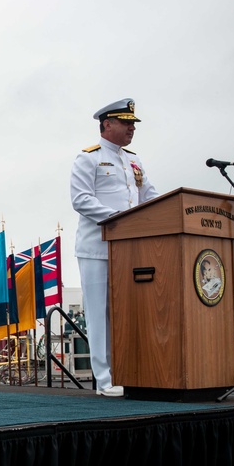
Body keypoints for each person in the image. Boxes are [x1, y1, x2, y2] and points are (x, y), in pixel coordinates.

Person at [70, 98, 159, 397]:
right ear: (107, 124)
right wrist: (121, 220)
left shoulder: (134, 160)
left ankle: (129, 371)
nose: (132, 128)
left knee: (127, 312)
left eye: (133, 123)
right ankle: (105, 379)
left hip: (129, 249)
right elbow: (81, 200)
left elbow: (151, 197)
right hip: (97, 248)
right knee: (99, 314)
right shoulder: (88, 159)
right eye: (126, 122)